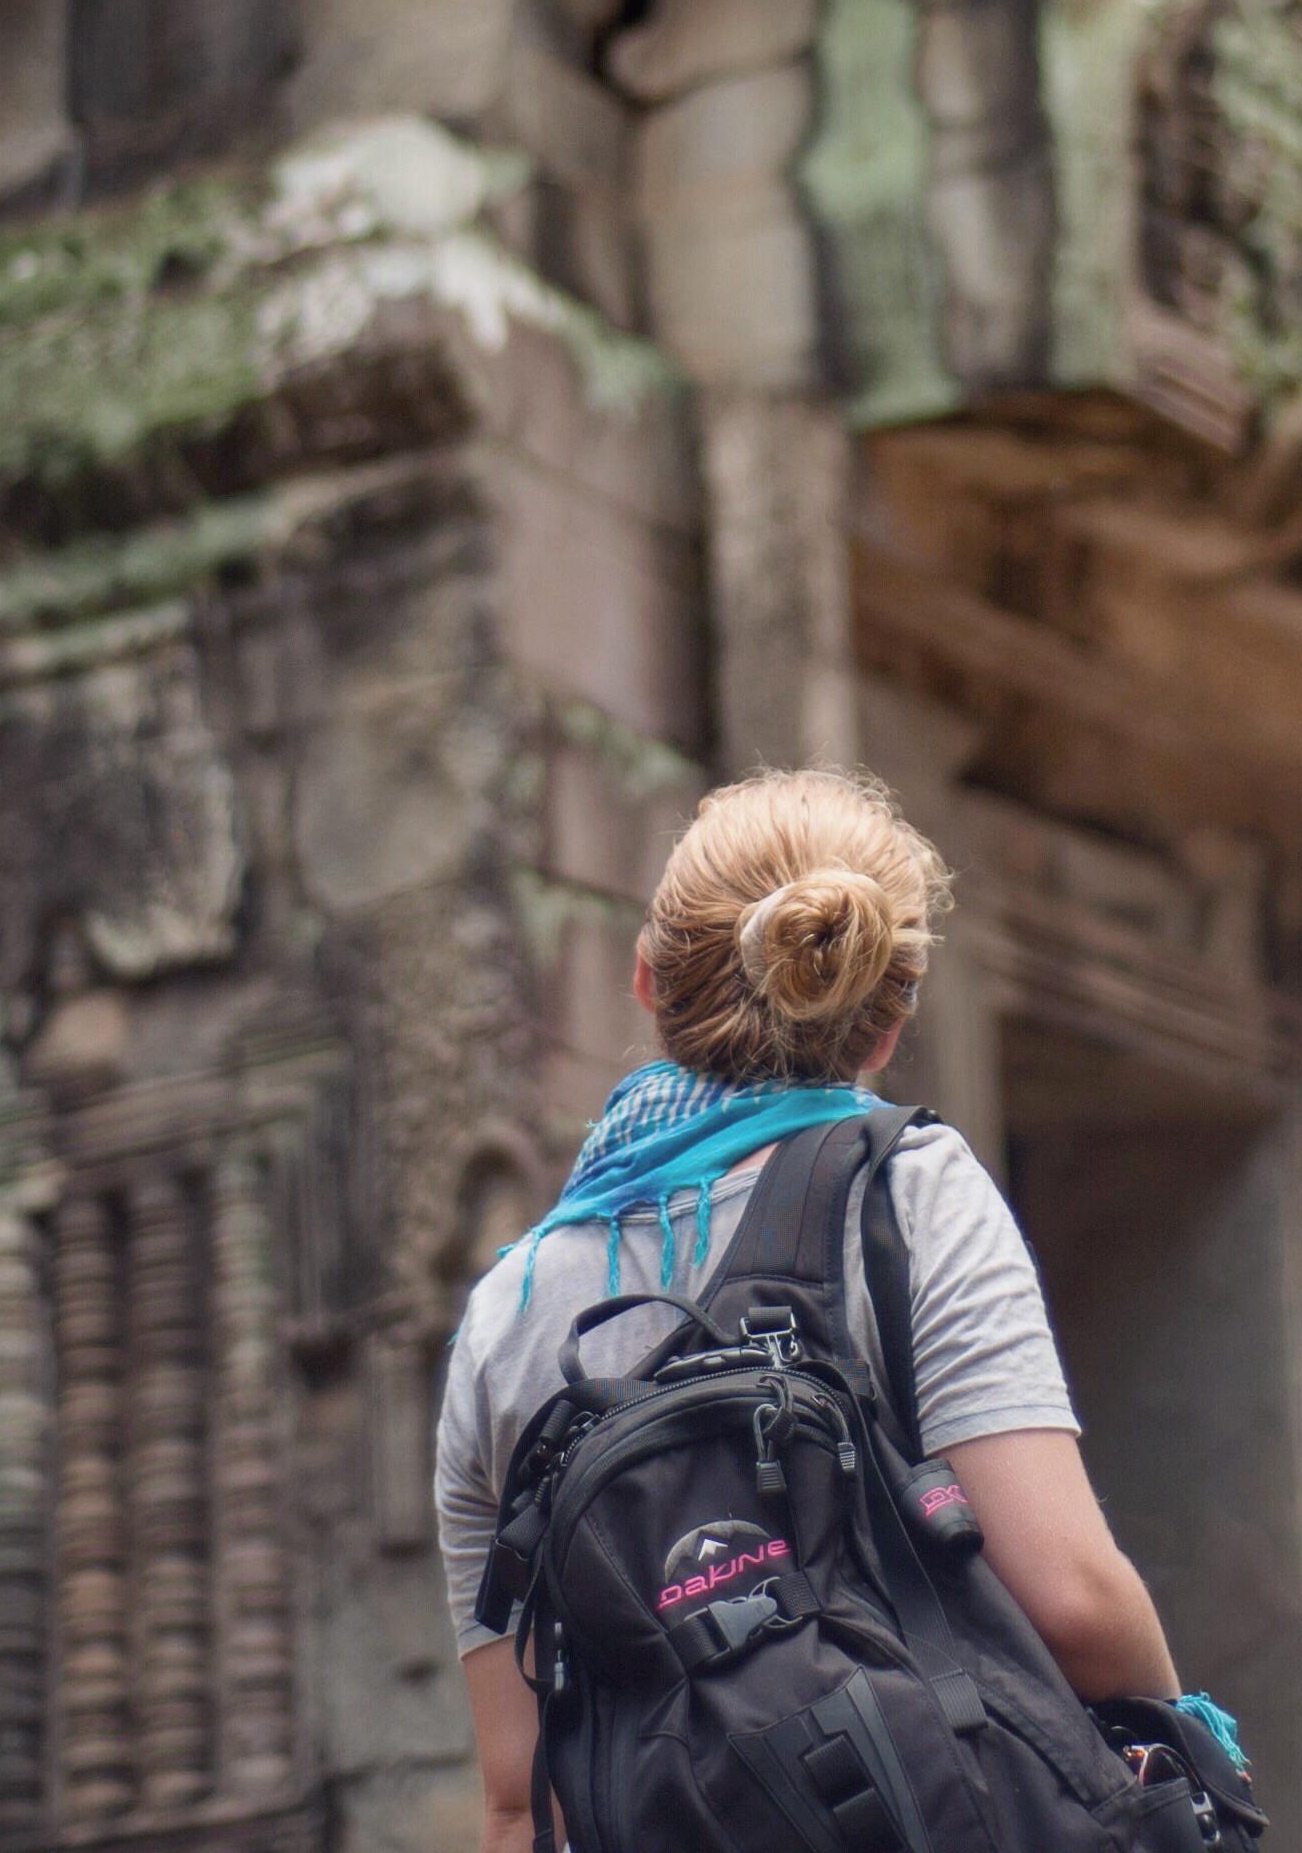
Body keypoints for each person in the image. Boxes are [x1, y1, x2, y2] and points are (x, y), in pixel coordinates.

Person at [433, 769, 1236, 1853]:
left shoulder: (506, 1315)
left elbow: (520, 1798)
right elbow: (1072, 1601)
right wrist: (1184, 1753)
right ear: (889, 1016)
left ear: (643, 977)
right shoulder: (905, 1186)